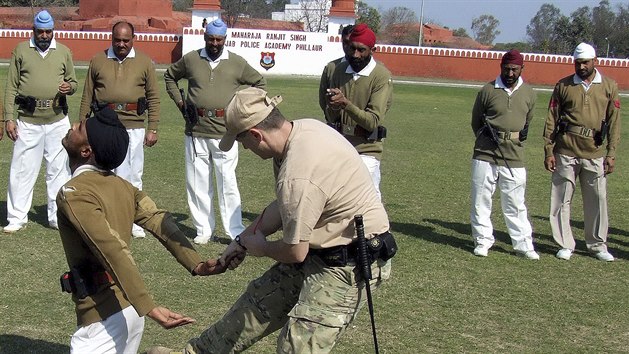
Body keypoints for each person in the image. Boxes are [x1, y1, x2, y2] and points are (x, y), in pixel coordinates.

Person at [147, 87, 396, 354]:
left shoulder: (298, 173)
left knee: (297, 347)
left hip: (348, 264)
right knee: (255, 305)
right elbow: (283, 206)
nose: (244, 148)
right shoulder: (301, 131)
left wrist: (261, 248)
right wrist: (242, 240)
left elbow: (295, 251)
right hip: (319, 248)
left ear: (256, 135)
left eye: (243, 142)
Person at [57, 107, 233, 353]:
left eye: (80, 128)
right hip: (128, 314)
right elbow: (159, 219)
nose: (74, 124)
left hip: (103, 320)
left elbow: (111, 248)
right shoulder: (123, 186)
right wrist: (196, 263)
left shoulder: (74, 193)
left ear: (86, 151)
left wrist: (148, 306)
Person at [164, 19, 266, 245]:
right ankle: (203, 229)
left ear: (225, 39)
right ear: (205, 37)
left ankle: (234, 230)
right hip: (195, 130)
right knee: (197, 182)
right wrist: (181, 103)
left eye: (219, 39)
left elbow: (260, 83)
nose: (214, 43)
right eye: (211, 38)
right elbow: (170, 76)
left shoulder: (236, 63)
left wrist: (243, 110)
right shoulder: (191, 59)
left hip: (225, 132)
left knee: (227, 182)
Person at [79, 21, 160, 239]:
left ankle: (134, 221)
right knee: (106, 173)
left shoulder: (144, 62)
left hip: (133, 125)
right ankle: (107, 218)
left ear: (133, 39)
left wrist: (152, 127)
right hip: (104, 124)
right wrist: (82, 125)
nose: (121, 44)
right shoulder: (98, 60)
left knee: (133, 174)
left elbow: (153, 96)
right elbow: (87, 94)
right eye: (117, 40)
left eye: (126, 40)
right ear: (112, 38)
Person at [543, 42, 621, 262]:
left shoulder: (608, 86)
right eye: (578, 63)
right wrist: (549, 150)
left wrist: (611, 152)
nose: (581, 66)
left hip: (594, 152)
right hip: (566, 149)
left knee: (596, 200)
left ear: (595, 61)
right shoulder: (563, 86)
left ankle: (597, 244)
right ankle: (565, 243)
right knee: (561, 199)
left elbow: (615, 122)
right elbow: (551, 119)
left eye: (585, 62)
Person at [3, 10, 76, 233]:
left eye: (48, 31)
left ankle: (56, 216)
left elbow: (73, 82)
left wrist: (69, 87)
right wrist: (8, 118)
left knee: (59, 170)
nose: (44, 35)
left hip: (57, 120)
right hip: (28, 120)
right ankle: (16, 217)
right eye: (40, 31)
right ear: (33, 31)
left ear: (53, 31)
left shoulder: (63, 51)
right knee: (22, 169)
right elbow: (10, 87)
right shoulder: (21, 50)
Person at [470, 49, 539, 260]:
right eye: (507, 69)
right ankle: (482, 240)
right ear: (501, 67)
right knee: (481, 199)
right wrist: (486, 138)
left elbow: (527, 122)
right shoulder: (487, 90)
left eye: (514, 69)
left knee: (515, 202)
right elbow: (476, 121)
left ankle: (523, 244)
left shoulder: (529, 93)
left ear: (521, 69)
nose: (510, 74)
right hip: (485, 152)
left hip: (514, 154)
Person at [322, 23, 393, 201]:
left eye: (361, 50)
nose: (355, 55)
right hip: (339, 144)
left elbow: (372, 121)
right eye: (352, 48)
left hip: (367, 147)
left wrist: (345, 103)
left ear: (372, 49)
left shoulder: (380, 76)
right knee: (337, 198)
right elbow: (329, 115)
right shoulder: (338, 71)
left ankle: (378, 229)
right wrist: (333, 106)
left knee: (365, 199)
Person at [318, 24, 353, 117]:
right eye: (345, 42)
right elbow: (323, 99)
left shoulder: (370, 70)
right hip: (335, 124)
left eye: (351, 42)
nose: (347, 46)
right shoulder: (331, 67)